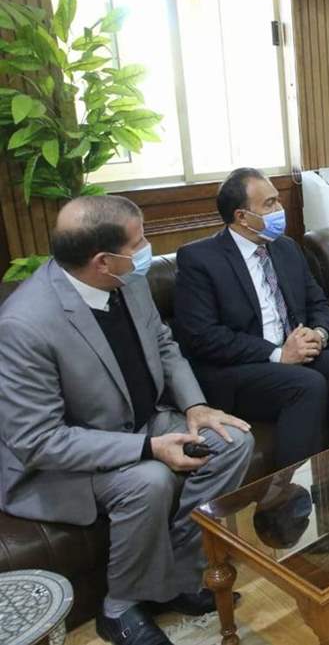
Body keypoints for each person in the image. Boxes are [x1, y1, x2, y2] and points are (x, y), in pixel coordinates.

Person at [0, 196, 254, 645]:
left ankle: (179, 578)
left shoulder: (127, 283)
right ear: (102, 261)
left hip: (141, 422)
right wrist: (148, 448)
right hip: (62, 463)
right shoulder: (25, 324)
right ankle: (119, 607)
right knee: (149, 480)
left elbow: (164, 344)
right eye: (138, 243)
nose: (146, 249)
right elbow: (38, 441)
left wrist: (195, 406)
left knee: (231, 440)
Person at [175, 168, 329, 470]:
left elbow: (319, 302)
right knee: (307, 384)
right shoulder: (199, 259)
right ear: (242, 217)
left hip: (295, 352)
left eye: (278, 200)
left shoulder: (286, 248)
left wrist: (318, 333)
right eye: (269, 204)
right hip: (240, 368)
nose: (280, 209)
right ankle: (289, 490)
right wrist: (278, 354)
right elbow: (203, 336)